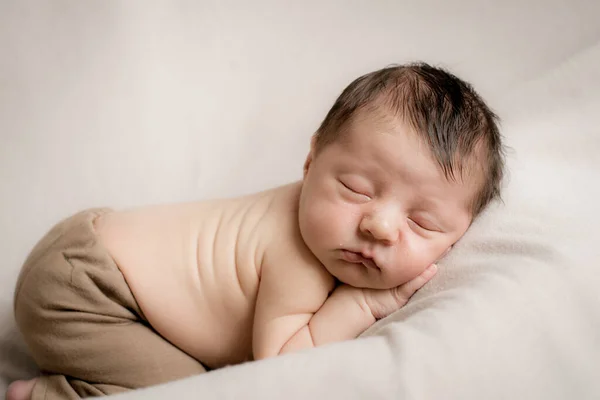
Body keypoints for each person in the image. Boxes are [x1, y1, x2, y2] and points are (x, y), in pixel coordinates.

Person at [7, 62, 504, 400]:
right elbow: (282, 365)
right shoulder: (297, 255)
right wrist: (365, 304)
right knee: (185, 391)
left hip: (94, 258)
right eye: (355, 188)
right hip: (85, 292)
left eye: (422, 223)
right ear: (311, 161)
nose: (379, 225)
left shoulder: (332, 227)